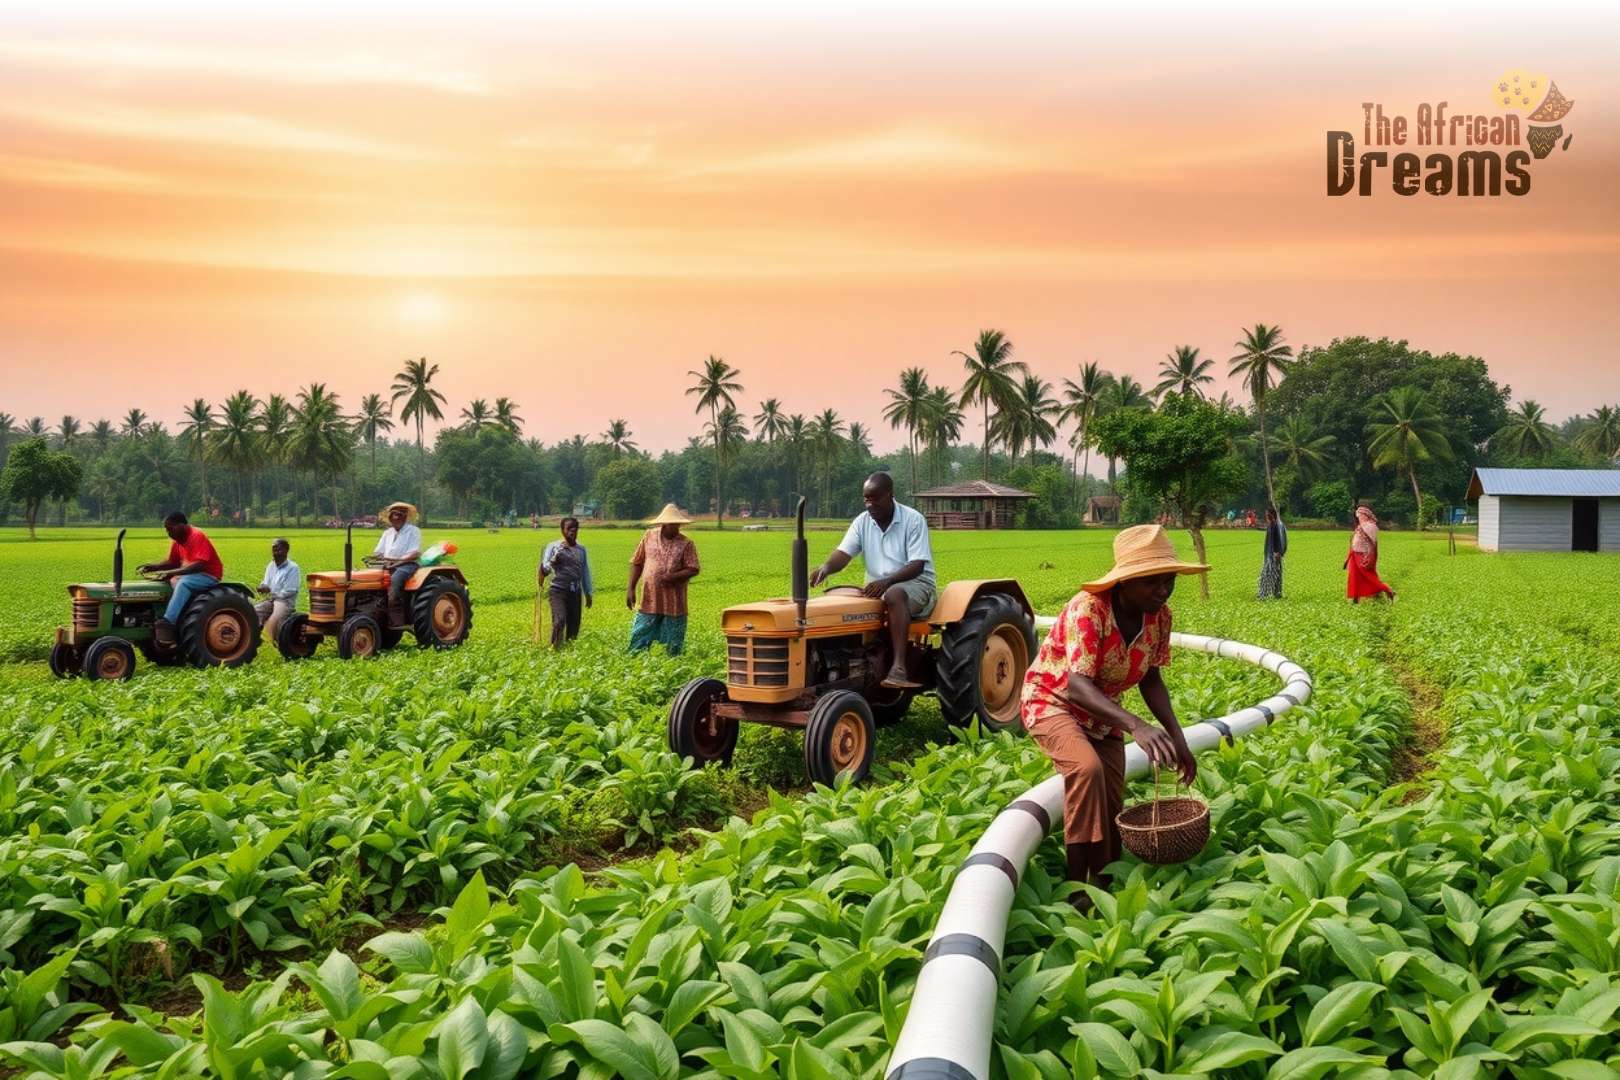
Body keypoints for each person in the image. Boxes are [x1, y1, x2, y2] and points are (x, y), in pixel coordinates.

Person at [1020, 524, 1204, 913]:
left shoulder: (1160, 618)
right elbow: (1077, 687)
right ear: (1125, 581)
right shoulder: (1090, 610)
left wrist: (1179, 740)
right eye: (1152, 582)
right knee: (1087, 771)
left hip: (1103, 715)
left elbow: (1151, 679)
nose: (1163, 591)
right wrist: (1137, 725)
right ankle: (1075, 891)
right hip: (1053, 701)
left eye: (1168, 581)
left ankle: (1104, 888)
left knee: (1110, 800)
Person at [809, 472, 935, 688]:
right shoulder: (862, 522)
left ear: (890, 495)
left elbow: (917, 565)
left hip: (916, 585)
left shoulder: (913, 520)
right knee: (839, 600)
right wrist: (826, 568)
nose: (869, 504)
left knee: (895, 595)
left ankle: (898, 668)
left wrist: (887, 582)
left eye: (874, 498)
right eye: (866, 498)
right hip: (877, 589)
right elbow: (844, 553)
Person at [138, 511, 224, 645]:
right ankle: (161, 616)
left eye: (170, 528)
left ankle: (169, 621)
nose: (168, 533)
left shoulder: (197, 536)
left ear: (181, 525)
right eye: (166, 530)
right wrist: (155, 567)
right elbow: (172, 562)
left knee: (182, 583)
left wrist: (172, 572)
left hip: (208, 574)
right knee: (167, 582)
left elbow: (199, 565)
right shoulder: (178, 542)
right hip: (192, 575)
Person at [627, 504, 701, 656]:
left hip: (674, 601)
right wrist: (631, 589)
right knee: (640, 633)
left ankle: (672, 661)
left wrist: (673, 577)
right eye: (673, 524)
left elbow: (693, 568)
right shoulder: (649, 537)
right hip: (650, 598)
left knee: (673, 642)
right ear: (665, 524)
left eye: (678, 524)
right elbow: (637, 562)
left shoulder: (686, 543)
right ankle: (635, 659)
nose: (676, 526)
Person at [540, 516, 593, 647]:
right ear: (562, 530)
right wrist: (554, 559)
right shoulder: (554, 547)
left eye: (575, 528)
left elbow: (584, 571)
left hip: (575, 591)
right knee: (559, 620)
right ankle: (555, 648)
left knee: (574, 625)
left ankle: (569, 652)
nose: (572, 531)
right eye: (569, 528)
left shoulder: (581, 550)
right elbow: (545, 567)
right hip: (558, 590)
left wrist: (588, 592)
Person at [374, 502, 422, 625]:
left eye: (400, 514)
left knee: (396, 579)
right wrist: (378, 560)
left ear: (405, 516)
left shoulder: (414, 531)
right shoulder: (387, 533)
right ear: (389, 517)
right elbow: (378, 552)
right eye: (394, 515)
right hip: (387, 563)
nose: (397, 517)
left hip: (407, 564)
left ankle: (397, 619)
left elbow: (414, 554)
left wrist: (395, 564)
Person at [1346, 505, 1395, 603]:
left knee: (1367, 575)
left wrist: (1368, 556)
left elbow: (1371, 543)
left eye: (1360, 515)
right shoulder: (1360, 526)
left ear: (1365, 515)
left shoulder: (1370, 526)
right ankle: (1356, 598)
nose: (1359, 517)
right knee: (1355, 576)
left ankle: (1388, 590)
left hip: (1363, 554)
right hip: (1355, 553)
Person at [255, 538, 300, 641]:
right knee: (253, 612)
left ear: (286, 550)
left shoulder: (293, 568)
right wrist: (261, 587)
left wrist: (270, 590)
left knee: (273, 621)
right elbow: (266, 582)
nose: (275, 551)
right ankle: (254, 638)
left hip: (285, 601)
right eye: (274, 548)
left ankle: (270, 642)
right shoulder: (271, 566)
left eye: (279, 548)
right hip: (272, 599)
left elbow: (291, 589)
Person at [1257, 506, 1287, 600]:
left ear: (1272, 515)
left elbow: (1282, 540)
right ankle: (1276, 593)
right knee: (1276, 574)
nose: (1266, 517)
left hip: (1274, 555)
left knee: (1267, 575)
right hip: (1269, 555)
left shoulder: (1278, 525)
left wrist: (1279, 552)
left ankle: (1263, 594)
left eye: (1267, 515)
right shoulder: (1272, 525)